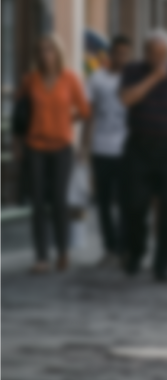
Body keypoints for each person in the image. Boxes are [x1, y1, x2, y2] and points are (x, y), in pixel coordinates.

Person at [119, 30, 167, 282]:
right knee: (134, 204)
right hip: (139, 147)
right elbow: (127, 99)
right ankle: (136, 252)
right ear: (146, 52)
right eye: (155, 53)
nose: (160, 58)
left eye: (164, 54)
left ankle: (164, 263)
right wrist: (153, 77)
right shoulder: (133, 72)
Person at [15, 33, 89, 273]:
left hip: (62, 147)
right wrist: (18, 146)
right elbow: (19, 115)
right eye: (41, 50)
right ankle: (41, 257)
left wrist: (69, 121)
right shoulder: (30, 80)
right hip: (34, 146)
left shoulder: (71, 79)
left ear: (58, 53)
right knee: (37, 202)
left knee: (58, 200)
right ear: (36, 55)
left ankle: (62, 252)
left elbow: (86, 111)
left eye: (50, 49)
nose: (45, 54)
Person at [84, 34, 132, 266]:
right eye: (118, 53)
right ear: (111, 53)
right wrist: (85, 145)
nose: (122, 57)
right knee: (102, 202)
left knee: (125, 201)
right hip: (101, 148)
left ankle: (124, 247)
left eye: (126, 53)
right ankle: (110, 248)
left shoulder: (133, 78)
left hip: (127, 149)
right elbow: (90, 115)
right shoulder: (97, 79)